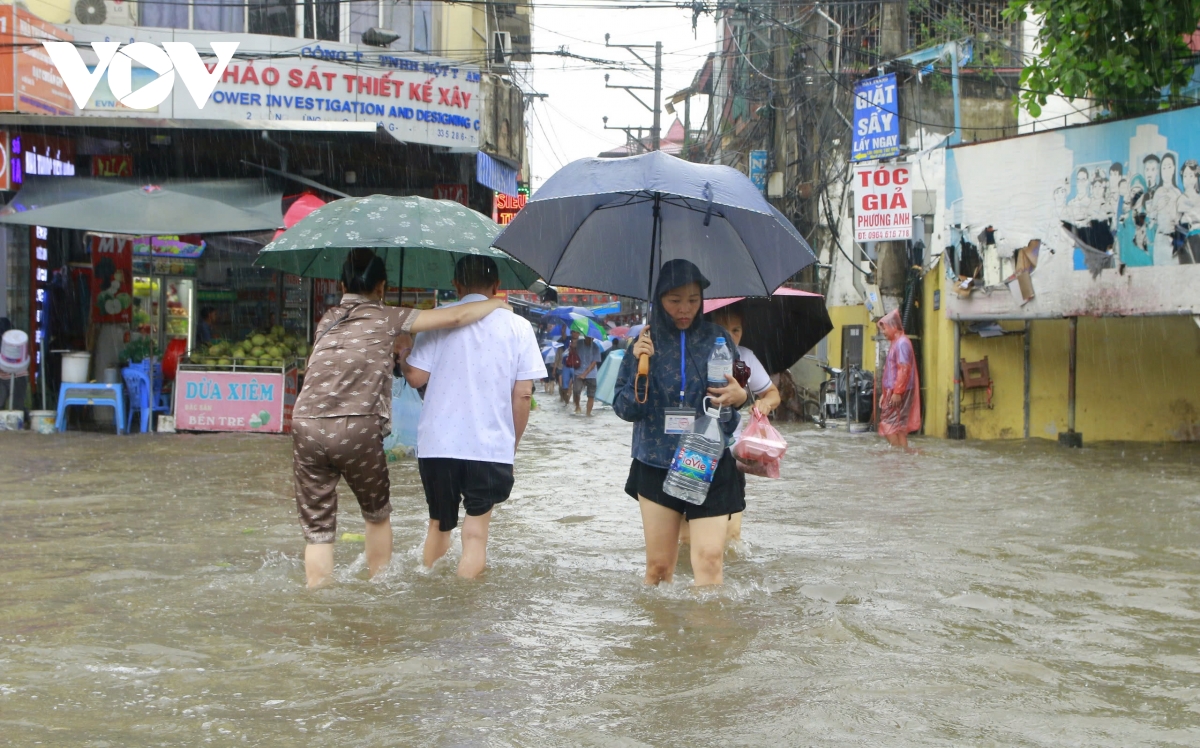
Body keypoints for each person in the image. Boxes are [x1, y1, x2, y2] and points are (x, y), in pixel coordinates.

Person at [291, 249, 510, 589]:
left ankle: (317, 594)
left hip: (304, 423)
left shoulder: (328, 318)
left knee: (318, 528)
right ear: (382, 286)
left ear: (341, 283)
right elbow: (454, 318)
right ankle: (380, 589)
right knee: (376, 516)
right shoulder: (386, 316)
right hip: (356, 425)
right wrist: (495, 304)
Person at [403, 256, 546, 579]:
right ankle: (466, 604)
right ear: (497, 287)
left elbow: (415, 378)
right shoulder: (519, 327)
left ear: (456, 284)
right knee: (476, 534)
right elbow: (523, 394)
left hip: (438, 445)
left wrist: (402, 354)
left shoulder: (437, 322)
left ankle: (429, 595)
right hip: (489, 446)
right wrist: (512, 443)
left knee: (439, 525)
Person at [613, 260, 750, 587]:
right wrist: (638, 366)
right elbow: (625, 409)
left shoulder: (718, 339)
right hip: (656, 461)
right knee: (659, 569)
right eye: (674, 301)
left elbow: (738, 405)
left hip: (709, 458)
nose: (685, 309)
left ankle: (705, 637)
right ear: (658, 299)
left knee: (709, 561)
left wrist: (740, 397)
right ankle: (659, 637)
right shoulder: (643, 343)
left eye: (692, 299)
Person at [684, 303, 782, 545]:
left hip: (731, 455)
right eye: (722, 329)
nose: (730, 337)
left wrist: (764, 405)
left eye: (736, 330)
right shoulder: (691, 354)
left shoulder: (745, 358)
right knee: (686, 536)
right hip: (694, 451)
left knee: (732, 534)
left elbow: (772, 393)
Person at [877, 309, 921, 449]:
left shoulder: (901, 343)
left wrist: (897, 392)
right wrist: (885, 393)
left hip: (899, 391)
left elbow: (904, 369)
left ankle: (897, 454)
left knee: (887, 423)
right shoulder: (897, 343)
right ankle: (904, 456)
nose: (883, 333)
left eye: (884, 329)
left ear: (893, 327)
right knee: (899, 426)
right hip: (896, 390)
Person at [570, 328, 600, 415]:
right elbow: (572, 349)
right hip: (578, 371)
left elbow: (594, 363)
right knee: (576, 391)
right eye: (588, 336)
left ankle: (588, 414)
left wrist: (584, 374)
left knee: (591, 395)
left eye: (591, 337)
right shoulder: (578, 343)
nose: (589, 339)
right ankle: (577, 406)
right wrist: (573, 343)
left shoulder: (595, 347)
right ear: (585, 336)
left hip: (591, 373)